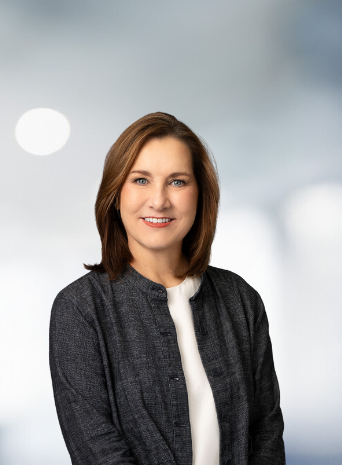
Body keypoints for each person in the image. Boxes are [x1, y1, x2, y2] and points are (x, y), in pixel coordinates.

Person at [49, 112, 285, 465]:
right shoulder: (81, 309)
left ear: (200, 196)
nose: (159, 201)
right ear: (115, 194)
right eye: (141, 180)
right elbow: (96, 449)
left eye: (177, 182)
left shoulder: (240, 300)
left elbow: (267, 432)